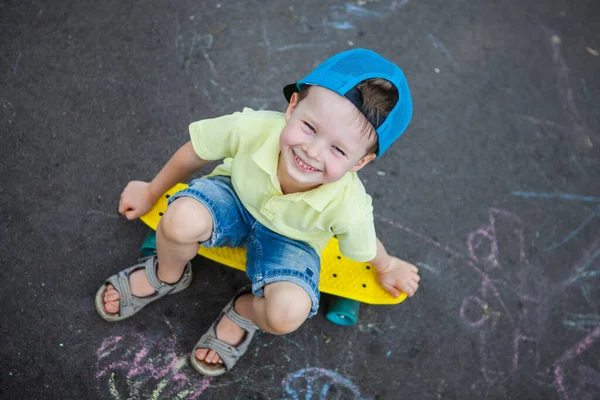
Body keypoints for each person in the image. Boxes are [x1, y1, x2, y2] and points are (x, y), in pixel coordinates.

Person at [95, 48, 420, 376]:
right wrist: (151, 190)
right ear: (292, 107)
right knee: (179, 219)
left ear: (360, 163)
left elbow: (364, 244)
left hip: (294, 242)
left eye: (338, 149)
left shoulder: (350, 206)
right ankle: (168, 274)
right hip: (233, 197)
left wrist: (387, 265)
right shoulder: (252, 127)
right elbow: (195, 152)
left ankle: (245, 310)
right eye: (309, 127)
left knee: (287, 314)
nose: (312, 150)